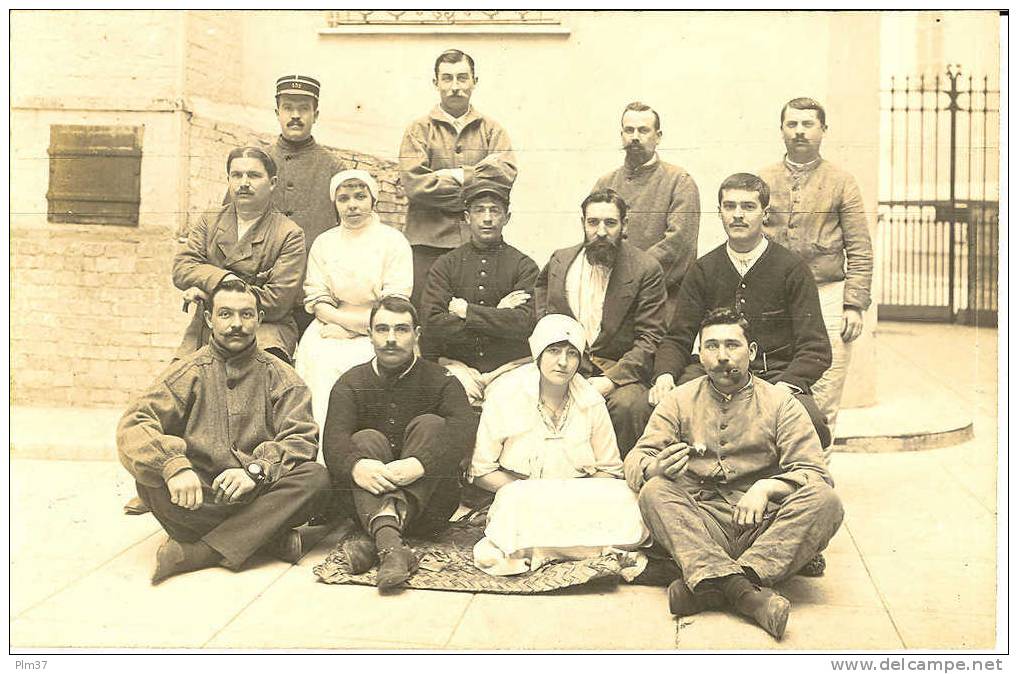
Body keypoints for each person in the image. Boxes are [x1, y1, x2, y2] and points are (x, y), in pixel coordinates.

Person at [626, 308, 844, 640]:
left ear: (752, 351)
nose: (722, 357)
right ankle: (746, 593)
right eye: (711, 346)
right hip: (702, 522)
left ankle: (709, 584)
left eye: (732, 345)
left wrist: (769, 487)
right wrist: (654, 466)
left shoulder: (780, 403)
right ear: (700, 354)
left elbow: (815, 473)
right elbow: (637, 458)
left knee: (825, 501)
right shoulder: (679, 399)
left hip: (762, 524)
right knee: (655, 490)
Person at [117, 279, 329, 584]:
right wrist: (174, 467)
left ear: (259, 319)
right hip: (202, 495)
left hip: (259, 494)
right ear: (209, 319)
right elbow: (135, 423)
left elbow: (301, 438)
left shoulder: (282, 377)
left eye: (246, 315)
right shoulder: (188, 372)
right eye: (225, 314)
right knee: (149, 480)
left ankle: (199, 553)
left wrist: (256, 470)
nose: (236, 325)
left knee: (315, 478)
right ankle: (265, 537)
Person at [648, 173, 832, 448]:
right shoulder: (704, 269)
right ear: (720, 212)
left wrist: (783, 389)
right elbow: (678, 337)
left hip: (774, 376)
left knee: (810, 421)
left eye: (748, 207)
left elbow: (815, 349)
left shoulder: (791, 269)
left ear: (765, 213)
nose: (737, 215)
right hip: (712, 374)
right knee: (663, 411)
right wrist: (664, 376)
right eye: (729, 206)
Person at [468, 314, 648, 576]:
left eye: (572, 354)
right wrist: (537, 491)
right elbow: (482, 472)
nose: (563, 362)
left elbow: (610, 469)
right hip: (524, 494)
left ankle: (543, 550)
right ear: (538, 354)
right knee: (514, 502)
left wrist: (566, 494)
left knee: (627, 498)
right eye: (553, 351)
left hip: (576, 497)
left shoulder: (591, 400)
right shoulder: (505, 394)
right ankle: (594, 550)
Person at [321, 295, 476, 592]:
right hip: (364, 498)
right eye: (382, 329)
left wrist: (420, 464)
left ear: (417, 335)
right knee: (365, 439)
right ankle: (393, 548)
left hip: (431, 508)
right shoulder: (350, 383)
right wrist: (357, 466)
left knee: (432, 424)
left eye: (401, 330)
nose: (391, 339)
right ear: (369, 335)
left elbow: (463, 431)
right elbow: (334, 440)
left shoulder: (442, 380)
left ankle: (378, 541)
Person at [759, 97, 874, 432]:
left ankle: (816, 472)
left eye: (808, 124)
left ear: (823, 130)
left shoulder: (842, 181)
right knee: (775, 383)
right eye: (792, 124)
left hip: (827, 295)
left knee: (825, 387)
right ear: (781, 130)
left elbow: (860, 248)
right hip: (775, 296)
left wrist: (853, 304)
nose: (799, 132)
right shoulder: (762, 179)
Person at [535, 188, 667, 456]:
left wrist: (611, 380)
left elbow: (650, 338)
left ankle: (619, 477)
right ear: (583, 223)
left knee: (629, 406)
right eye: (593, 222)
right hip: (566, 365)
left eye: (610, 223)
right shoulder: (560, 261)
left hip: (617, 372)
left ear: (624, 225)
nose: (602, 232)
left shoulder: (646, 268)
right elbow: (543, 319)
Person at [293, 169, 413, 430]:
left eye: (360, 196)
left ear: (373, 200)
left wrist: (356, 329)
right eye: (344, 198)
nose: (352, 205)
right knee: (318, 361)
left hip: (382, 327)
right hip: (328, 325)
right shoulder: (325, 242)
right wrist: (339, 321)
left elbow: (395, 304)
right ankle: (322, 450)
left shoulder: (394, 242)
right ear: (335, 204)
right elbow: (317, 296)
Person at [399, 49, 517, 312]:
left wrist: (454, 176)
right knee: (429, 318)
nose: (455, 87)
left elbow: (504, 177)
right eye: (447, 78)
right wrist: (476, 179)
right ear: (436, 83)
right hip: (426, 247)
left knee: (475, 317)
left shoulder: (492, 130)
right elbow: (415, 185)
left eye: (462, 78)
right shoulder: (418, 130)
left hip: (478, 245)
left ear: (474, 81)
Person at [174, 146, 305, 363]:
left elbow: (277, 302)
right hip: (210, 323)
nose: (244, 183)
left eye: (253, 175)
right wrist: (225, 278)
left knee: (260, 382)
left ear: (272, 183)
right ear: (228, 180)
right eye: (236, 175)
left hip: (264, 326)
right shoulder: (211, 220)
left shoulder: (289, 233)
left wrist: (209, 292)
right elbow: (182, 268)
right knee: (176, 384)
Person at [421, 169, 538, 405]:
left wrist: (467, 312)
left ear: (507, 217)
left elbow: (525, 324)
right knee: (453, 400)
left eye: (494, 210)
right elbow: (433, 324)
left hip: (509, 368)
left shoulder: (524, 266)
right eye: (479, 210)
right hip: (458, 367)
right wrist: (499, 313)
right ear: (466, 217)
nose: (487, 218)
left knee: (512, 402)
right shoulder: (446, 265)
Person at [251, 75, 346, 338]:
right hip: (263, 292)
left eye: (303, 108)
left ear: (315, 114)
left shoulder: (334, 168)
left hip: (312, 296)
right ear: (277, 112)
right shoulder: (256, 164)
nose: (295, 115)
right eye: (288, 108)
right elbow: (229, 226)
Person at [593, 102, 701, 318]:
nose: (635, 137)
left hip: (660, 304)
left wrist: (629, 276)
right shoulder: (605, 183)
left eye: (643, 130)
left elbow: (678, 246)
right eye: (629, 130)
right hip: (608, 301)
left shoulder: (679, 181)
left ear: (658, 136)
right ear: (621, 134)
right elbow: (594, 238)